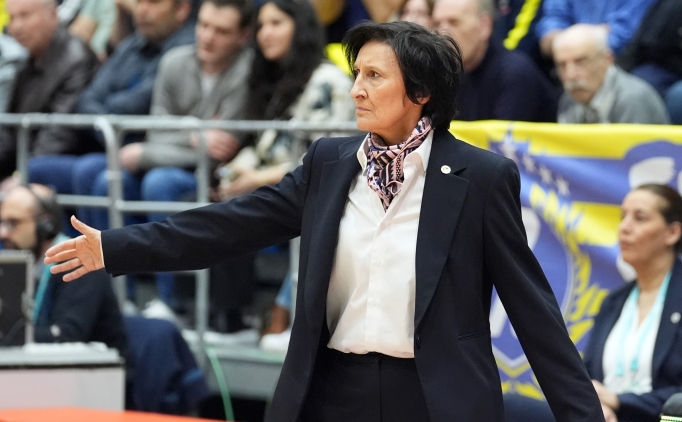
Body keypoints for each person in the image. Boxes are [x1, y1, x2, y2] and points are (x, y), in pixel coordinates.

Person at [45, 21, 604, 422]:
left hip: (435, 398)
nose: (356, 89)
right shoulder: (329, 163)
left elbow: (533, 310)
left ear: (421, 92)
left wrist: (583, 414)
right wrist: (116, 247)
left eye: (375, 76)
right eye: (357, 73)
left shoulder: (481, 178)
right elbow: (233, 224)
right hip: (331, 391)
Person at [90, 0, 255, 309]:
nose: (207, 37)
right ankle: (119, 300)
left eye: (221, 31)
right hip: (171, 162)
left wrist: (148, 152)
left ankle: (171, 304)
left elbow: (223, 150)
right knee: (106, 183)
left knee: (160, 183)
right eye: (203, 26)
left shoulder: (248, 71)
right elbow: (158, 132)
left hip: (214, 178)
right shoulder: (174, 61)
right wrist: (197, 136)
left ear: (243, 36)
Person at [505, 183, 682, 422]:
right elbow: (586, 375)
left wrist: (620, 402)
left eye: (639, 218)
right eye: (623, 217)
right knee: (511, 407)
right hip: (603, 416)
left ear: (672, 233)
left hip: (658, 418)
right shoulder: (614, 301)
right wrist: (599, 405)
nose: (624, 227)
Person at [27, 0, 194, 214]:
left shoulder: (184, 51)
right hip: (113, 148)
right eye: (139, 2)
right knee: (37, 169)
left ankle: (102, 237)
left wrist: (104, 115)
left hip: (157, 154)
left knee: (93, 172)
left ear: (182, 10)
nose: (143, 10)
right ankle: (71, 236)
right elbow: (86, 99)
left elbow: (140, 103)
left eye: (153, 2)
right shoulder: (131, 45)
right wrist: (107, 121)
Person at [217, 0, 355, 199]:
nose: (265, 33)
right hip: (271, 193)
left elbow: (328, 159)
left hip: (310, 197)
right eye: (261, 26)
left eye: (276, 23)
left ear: (301, 28)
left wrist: (260, 178)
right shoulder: (272, 80)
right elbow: (262, 148)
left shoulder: (328, 81)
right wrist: (233, 171)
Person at [0, 184, 127, 354]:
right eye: (2, 222)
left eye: (13, 223)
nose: (3, 233)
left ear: (45, 225)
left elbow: (67, 336)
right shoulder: (16, 268)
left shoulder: (80, 263)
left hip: (98, 367)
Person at [0, 0, 99, 182]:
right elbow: (9, 136)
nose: (17, 26)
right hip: (33, 163)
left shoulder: (76, 59)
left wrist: (22, 179)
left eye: (25, 15)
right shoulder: (27, 63)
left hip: (64, 168)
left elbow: (59, 136)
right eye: (12, 18)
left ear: (52, 14)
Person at [433, 0, 559, 122]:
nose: (443, 34)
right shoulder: (452, 76)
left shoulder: (515, 73)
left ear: (484, 26)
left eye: (454, 22)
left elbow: (503, 135)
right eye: (437, 24)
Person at [552, 24, 669, 124]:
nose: (570, 74)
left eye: (581, 62)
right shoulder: (568, 99)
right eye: (562, 65)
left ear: (607, 59)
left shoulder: (633, 100)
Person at [536, 0, 657, 57]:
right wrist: (599, 32)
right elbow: (553, 20)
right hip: (567, 58)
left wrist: (568, 40)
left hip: (622, 61)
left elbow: (622, 34)